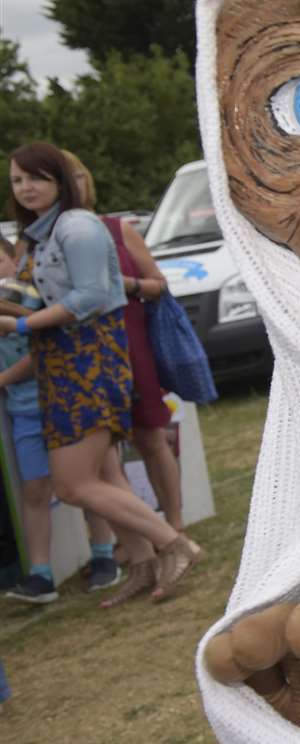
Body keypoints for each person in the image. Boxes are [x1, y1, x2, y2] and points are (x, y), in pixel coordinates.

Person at [1, 143, 201, 598]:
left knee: (73, 485)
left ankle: (175, 544)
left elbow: (89, 298)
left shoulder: (77, 226)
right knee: (105, 475)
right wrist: (17, 312)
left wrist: (22, 324)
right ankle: (144, 566)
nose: (25, 188)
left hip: (89, 364)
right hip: (61, 365)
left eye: (36, 178)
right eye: (17, 180)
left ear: (60, 182)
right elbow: (37, 297)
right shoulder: (38, 234)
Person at [68, 156, 194, 602]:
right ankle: (138, 548)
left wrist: (124, 283)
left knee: (151, 436)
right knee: (105, 459)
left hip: (130, 340)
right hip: (83, 358)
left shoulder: (117, 229)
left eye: (81, 176)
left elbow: (158, 284)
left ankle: (174, 523)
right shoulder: (50, 241)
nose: (77, 185)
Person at [0, 239, 67, 603]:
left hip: (60, 402)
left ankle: (104, 554)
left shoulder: (35, 299)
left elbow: (43, 353)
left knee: (87, 483)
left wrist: (4, 380)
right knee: (34, 489)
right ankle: (41, 575)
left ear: (15, 261)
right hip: (21, 412)